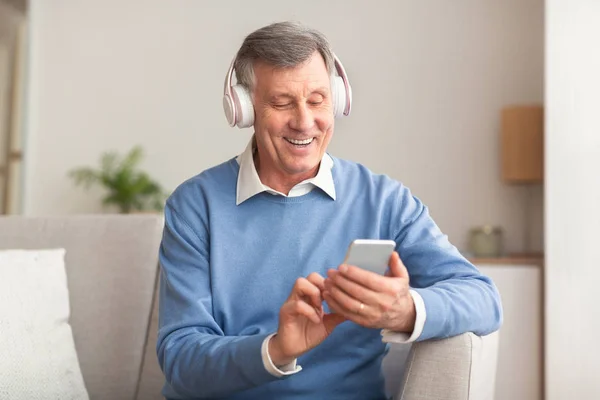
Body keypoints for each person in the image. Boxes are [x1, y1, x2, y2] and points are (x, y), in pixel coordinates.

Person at [156, 21, 502, 400]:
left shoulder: (384, 201)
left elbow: (482, 298)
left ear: (337, 99)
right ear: (244, 108)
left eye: (317, 99)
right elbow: (180, 355)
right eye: (282, 102)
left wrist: (404, 311)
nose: (305, 121)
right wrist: (275, 350)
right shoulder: (194, 206)